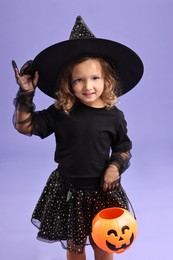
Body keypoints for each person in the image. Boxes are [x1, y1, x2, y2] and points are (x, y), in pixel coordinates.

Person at [12, 16, 143, 260]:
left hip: (102, 191)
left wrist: (115, 166)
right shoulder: (61, 112)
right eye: (78, 80)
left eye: (95, 78)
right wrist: (26, 94)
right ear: (68, 84)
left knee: (104, 244)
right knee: (75, 246)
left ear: (107, 80)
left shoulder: (114, 116)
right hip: (69, 191)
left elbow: (123, 147)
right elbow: (25, 126)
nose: (87, 86)